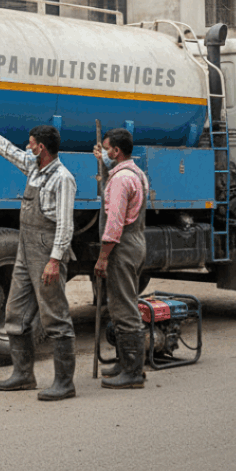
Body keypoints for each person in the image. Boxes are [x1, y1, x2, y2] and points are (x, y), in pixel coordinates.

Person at [0, 117, 77, 400]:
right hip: (25, 248)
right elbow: (7, 149)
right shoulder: (34, 166)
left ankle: (65, 383)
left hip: (47, 251)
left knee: (55, 316)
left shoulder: (63, 179)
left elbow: (65, 225)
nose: (27, 147)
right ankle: (23, 375)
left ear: (41, 148)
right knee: (15, 312)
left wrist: (55, 260)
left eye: (31, 144)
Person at [93, 128, 149, 390]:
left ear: (116, 151)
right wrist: (103, 165)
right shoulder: (136, 173)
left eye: (107, 149)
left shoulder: (120, 180)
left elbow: (114, 224)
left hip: (122, 247)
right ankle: (126, 362)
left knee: (124, 308)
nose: (104, 152)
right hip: (135, 243)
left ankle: (133, 372)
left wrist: (103, 257)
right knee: (122, 303)